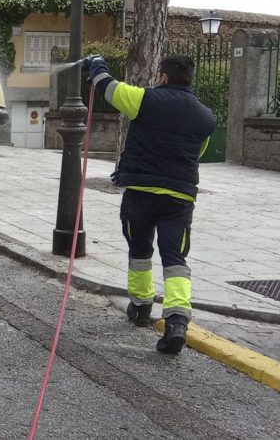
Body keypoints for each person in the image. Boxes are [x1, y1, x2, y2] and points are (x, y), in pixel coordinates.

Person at [87, 55, 215, 354]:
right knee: (175, 258)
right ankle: (177, 322)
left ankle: (141, 306)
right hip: (180, 198)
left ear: (164, 77)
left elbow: (108, 88)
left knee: (140, 250)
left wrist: (96, 65)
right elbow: (198, 152)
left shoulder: (144, 100)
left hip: (141, 194)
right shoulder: (205, 117)